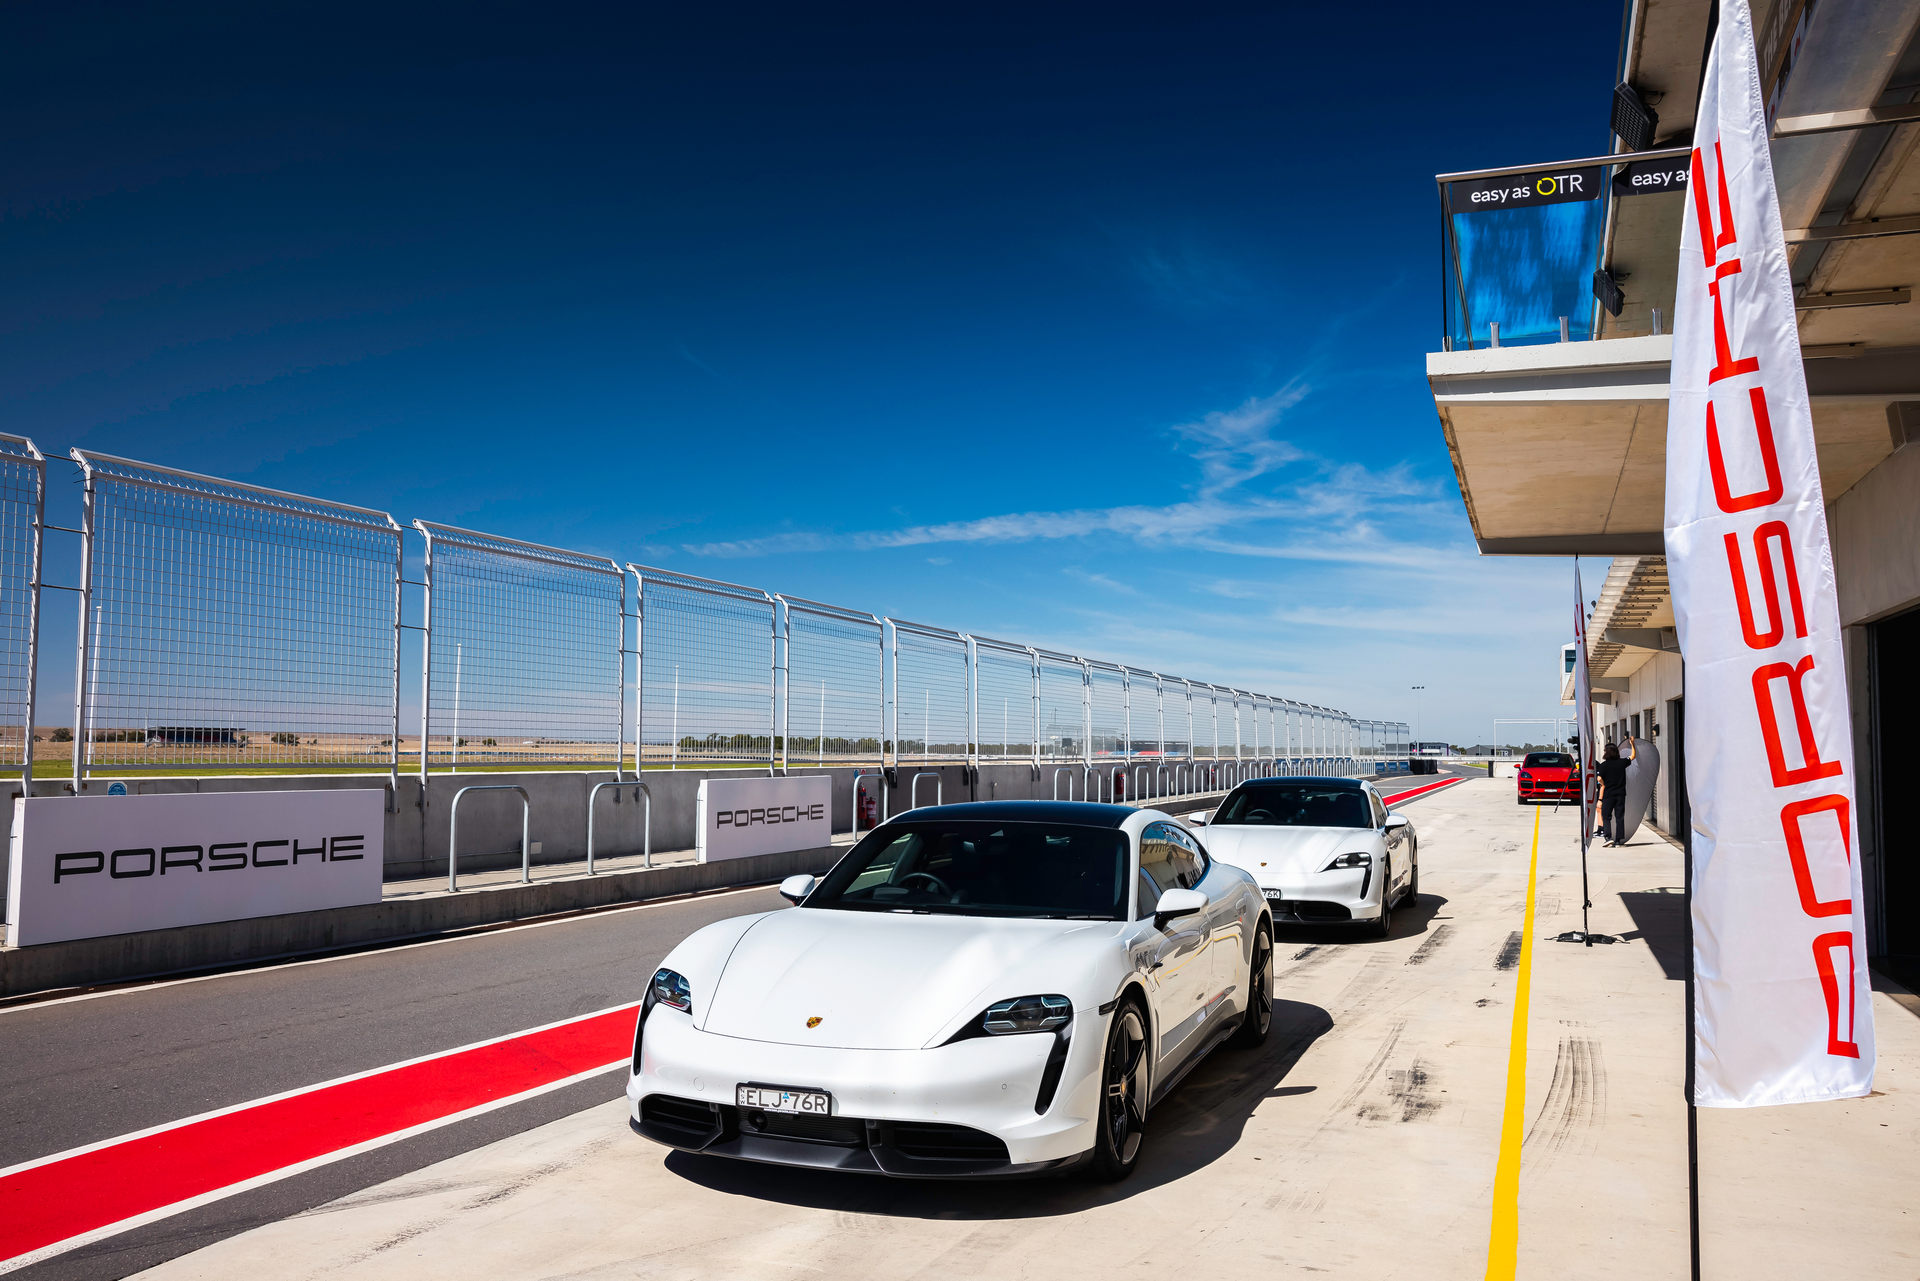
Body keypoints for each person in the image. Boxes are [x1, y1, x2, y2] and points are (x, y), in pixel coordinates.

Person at [1595, 738, 1636, 846]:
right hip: (1621, 794)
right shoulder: (1622, 763)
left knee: (1606, 816)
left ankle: (1608, 837)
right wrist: (1632, 744)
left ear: (1606, 753)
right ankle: (1618, 840)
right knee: (1619, 817)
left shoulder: (1604, 765)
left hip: (1609, 795)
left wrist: (1604, 784)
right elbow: (1632, 756)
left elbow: (1599, 779)